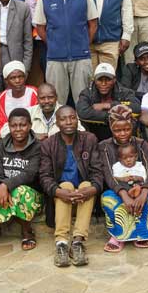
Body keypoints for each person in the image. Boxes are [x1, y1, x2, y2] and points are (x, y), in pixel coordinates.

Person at [38, 106, 102, 267]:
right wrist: (59, 192)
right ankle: (61, 243)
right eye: (63, 119)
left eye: (72, 118)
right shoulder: (48, 144)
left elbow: (98, 171)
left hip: (83, 197)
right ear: (57, 123)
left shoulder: (89, 139)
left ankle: (78, 241)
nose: (69, 122)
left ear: (77, 120)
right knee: (65, 184)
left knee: (88, 184)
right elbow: (45, 177)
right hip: (61, 199)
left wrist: (93, 189)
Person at [97, 105, 148, 252]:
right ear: (111, 129)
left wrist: (144, 192)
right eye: (117, 130)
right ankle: (119, 236)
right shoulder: (104, 146)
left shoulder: (141, 144)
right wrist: (125, 195)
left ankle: (143, 234)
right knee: (108, 198)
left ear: (132, 126)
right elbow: (107, 174)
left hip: (140, 186)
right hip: (118, 189)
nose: (122, 133)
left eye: (126, 129)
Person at [0, 108, 44, 250]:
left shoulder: (37, 147)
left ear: (30, 125)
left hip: (31, 192)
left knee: (20, 191)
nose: (18, 129)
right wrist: (2, 187)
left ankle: (27, 231)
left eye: (23, 125)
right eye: (14, 125)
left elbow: (30, 174)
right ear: (9, 126)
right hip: (4, 190)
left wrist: (5, 185)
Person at [34, 0, 97, 106]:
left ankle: (83, 129)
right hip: (56, 58)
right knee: (56, 102)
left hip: (81, 57)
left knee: (83, 102)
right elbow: (40, 27)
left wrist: (84, 44)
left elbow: (93, 24)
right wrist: (53, 45)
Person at [76, 62, 141, 142]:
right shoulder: (87, 93)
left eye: (108, 80)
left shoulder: (124, 92)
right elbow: (83, 112)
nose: (104, 83)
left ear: (114, 80)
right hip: (95, 134)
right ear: (94, 80)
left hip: (122, 134)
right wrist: (114, 115)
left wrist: (109, 105)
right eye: (100, 80)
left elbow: (136, 108)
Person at [0, 61, 39, 134]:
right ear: (6, 81)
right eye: (13, 78)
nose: (17, 81)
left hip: (33, 132)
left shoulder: (35, 93)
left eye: (20, 77)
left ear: (24, 77)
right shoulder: (1, 98)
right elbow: (0, 125)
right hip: (10, 133)